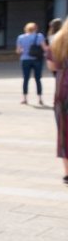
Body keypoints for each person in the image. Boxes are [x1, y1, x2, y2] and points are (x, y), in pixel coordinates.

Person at [48, 24, 68, 184]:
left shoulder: (57, 40)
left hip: (62, 90)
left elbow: (52, 66)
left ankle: (67, 172)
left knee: (64, 132)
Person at [16, 21, 48, 106]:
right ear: (36, 28)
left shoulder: (20, 37)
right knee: (38, 79)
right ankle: (40, 98)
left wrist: (24, 50)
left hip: (25, 60)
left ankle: (25, 98)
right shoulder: (39, 36)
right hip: (37, 60)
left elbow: (18, 51)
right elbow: (44, 48)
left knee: (26, 79)